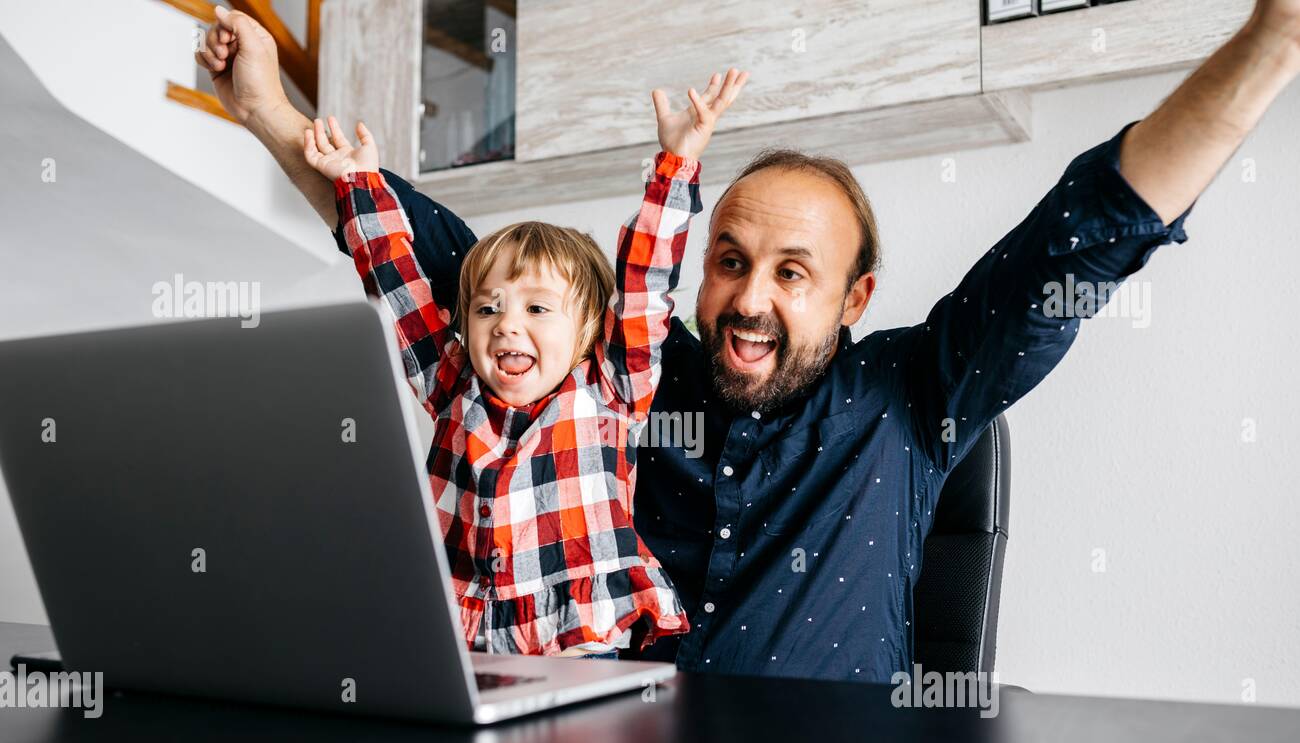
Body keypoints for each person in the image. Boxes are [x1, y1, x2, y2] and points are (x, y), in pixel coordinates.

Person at [198, 1, 1300, 681]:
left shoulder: (918, 390)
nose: (749, 300)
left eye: (790, 272)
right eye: (729, 260)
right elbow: (435, 259)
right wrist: (266, 107)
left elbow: (1091, 225)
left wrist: (1272, 37)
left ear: (854, 295)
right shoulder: (616, 377)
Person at [293, 73, 746, 656]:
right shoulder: (453, 383)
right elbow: (399, 290)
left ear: (587, 332)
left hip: (577, 637)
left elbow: (644, 284)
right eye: (488, 308)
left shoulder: (610, 388)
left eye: (536, 307)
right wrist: (360, 185)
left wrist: (676, 163)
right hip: (464, 637)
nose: (506, 324)